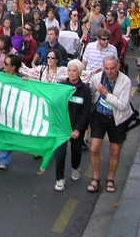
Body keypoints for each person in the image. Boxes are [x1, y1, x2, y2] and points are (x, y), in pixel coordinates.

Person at [87, 55, 133, 194]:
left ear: (118, 66)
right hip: (99, 117)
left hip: (117, 119)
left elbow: (123, 105)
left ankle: (110, 179)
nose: (109, 71)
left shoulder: (125, 81)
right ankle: (95, 178)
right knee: (94, 149)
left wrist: (106, 94)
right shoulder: (97, 78)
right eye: (106, 68)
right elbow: (91, 92)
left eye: (112, 68)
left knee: (115, 150)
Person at [53, 59, 92, 192]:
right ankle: (59, 179)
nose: (71, 73)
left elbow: (86, 112)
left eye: (74, 70)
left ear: (79, 72)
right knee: (60, 153)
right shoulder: (61, 86)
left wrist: (78, 129)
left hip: (76, 127)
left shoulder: (85, 90)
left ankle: (75, 168)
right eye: (69, 70)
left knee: (76, 152)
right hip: (62, 127)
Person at [0, 54, 23, 170]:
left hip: (12, 112)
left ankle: (3, 159)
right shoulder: (0, 75)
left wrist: (26, 83)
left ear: (13, 67)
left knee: (7, 134)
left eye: (6, 64)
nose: (4, 66)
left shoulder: (21, 80)